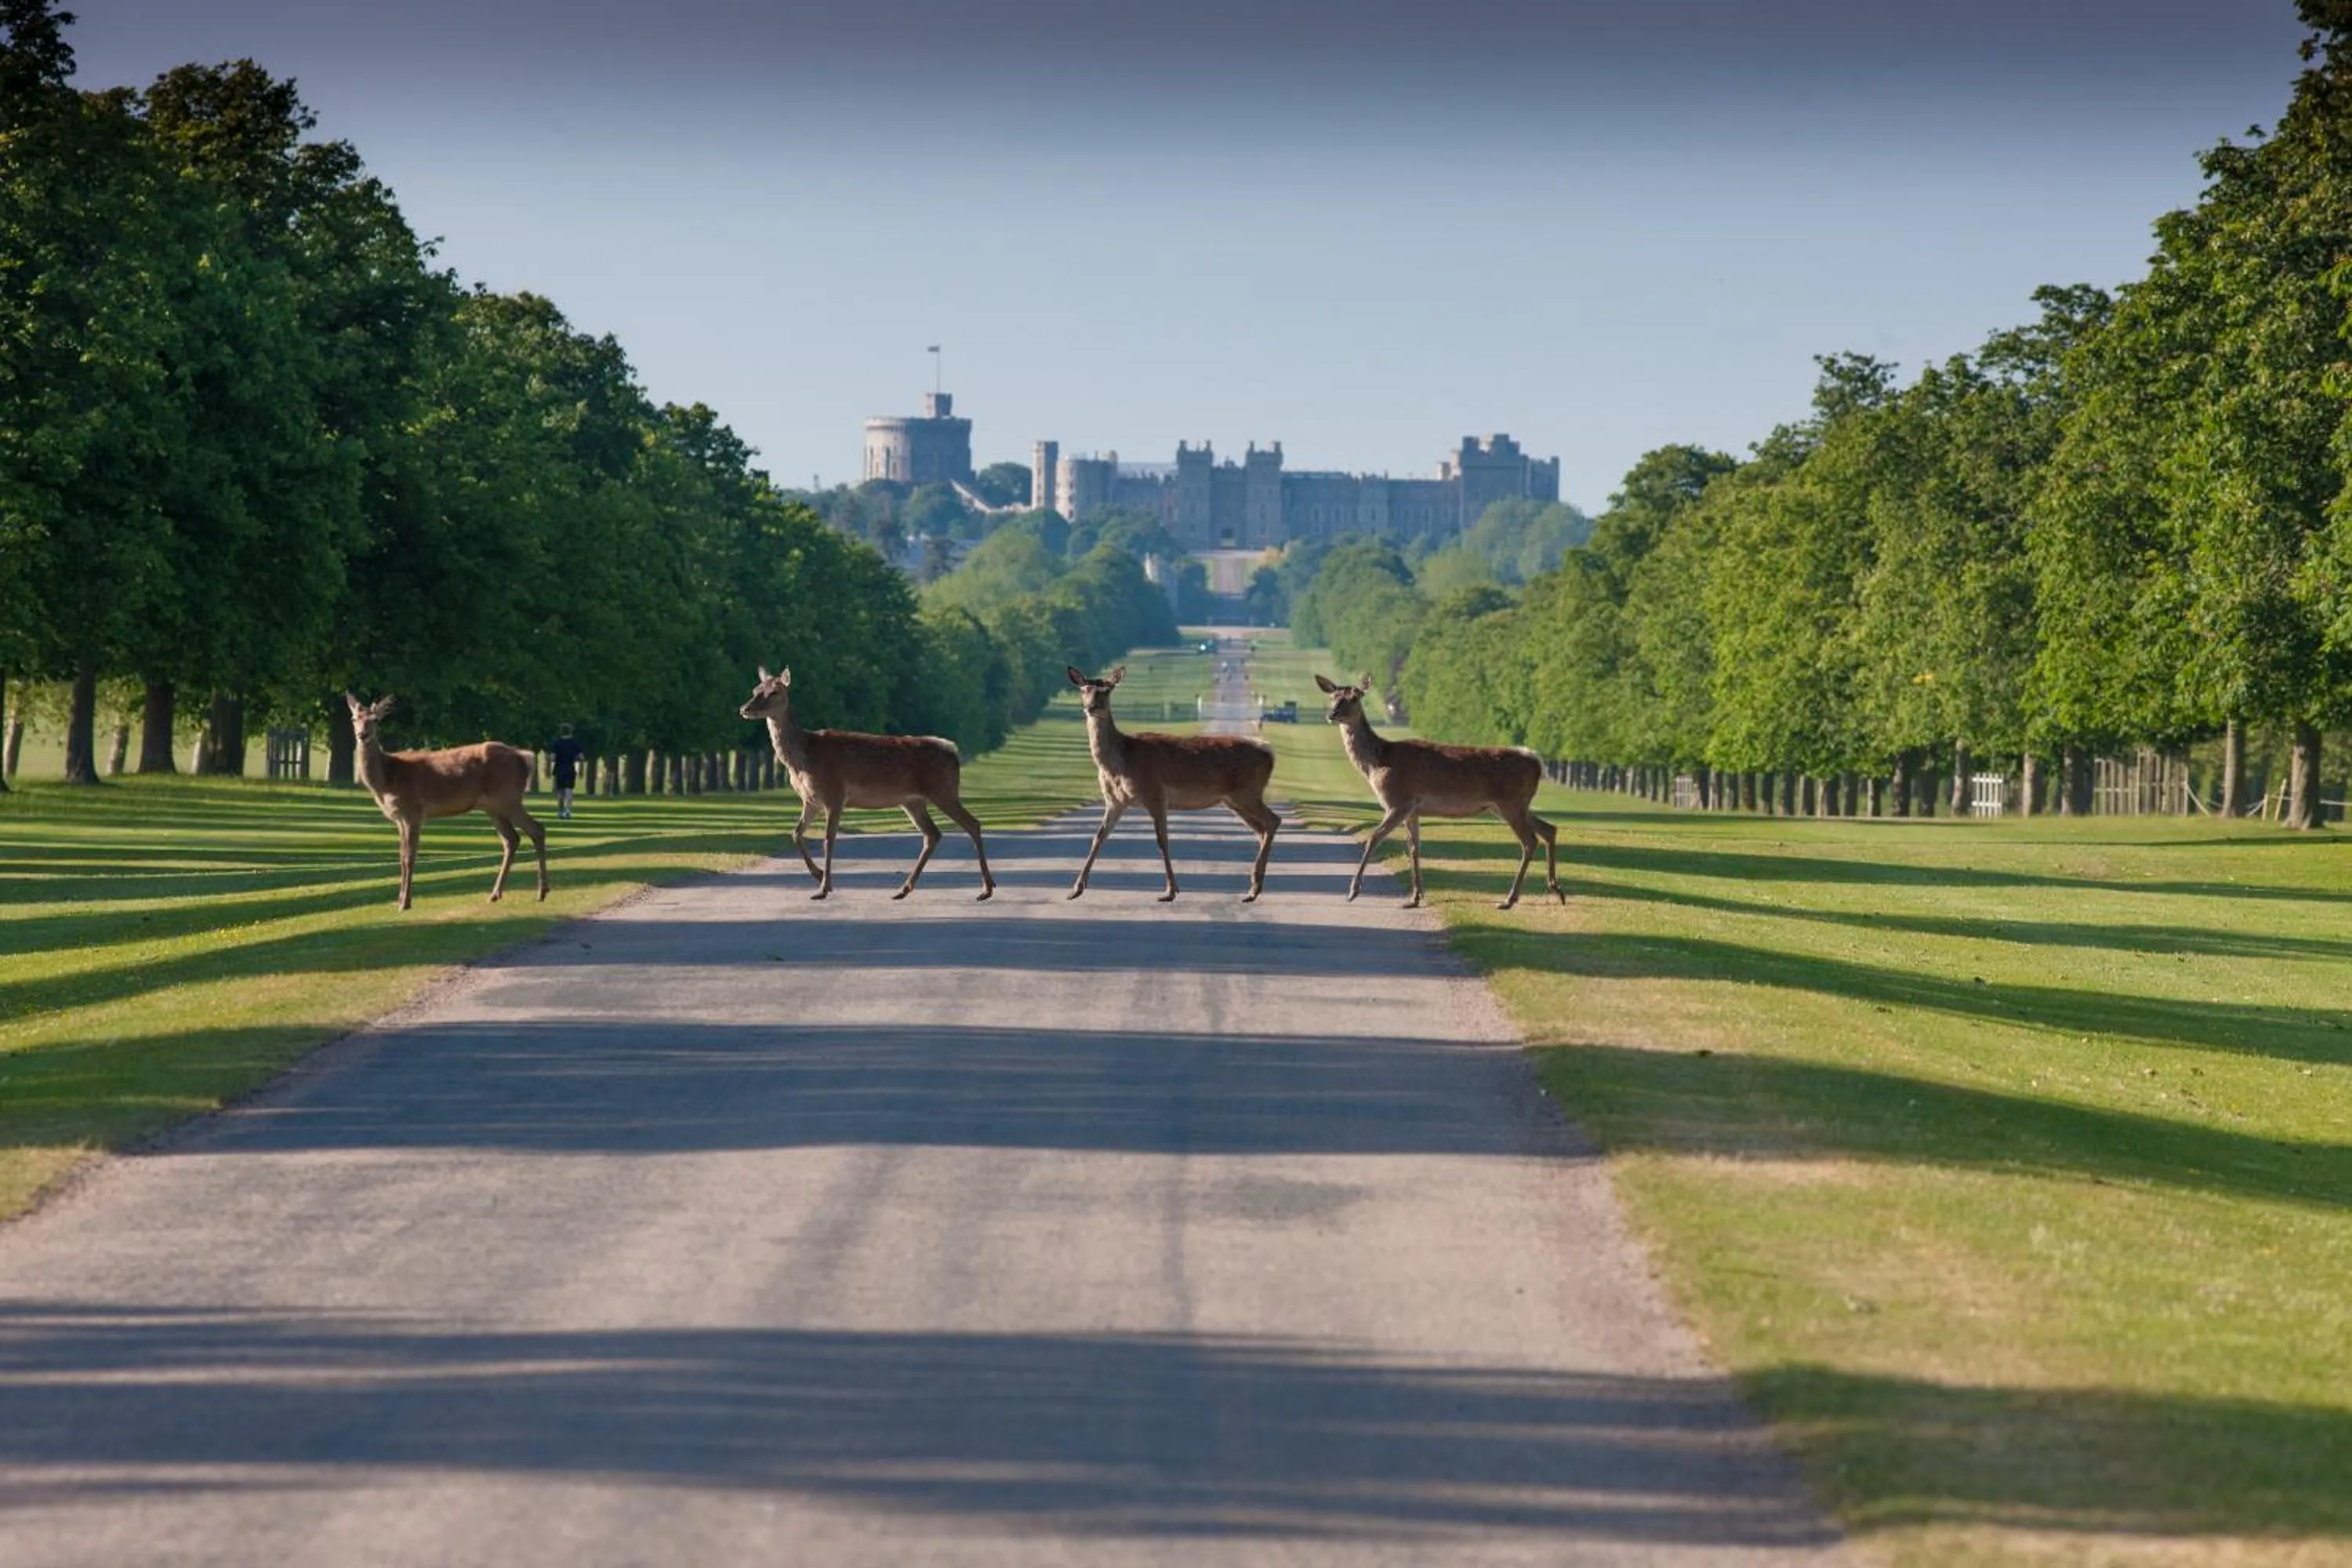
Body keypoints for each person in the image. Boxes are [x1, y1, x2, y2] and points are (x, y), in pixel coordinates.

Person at [550, 724, 586, 819]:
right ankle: (568, 811)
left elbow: (553, 758)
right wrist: (574, 758)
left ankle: (561, 811)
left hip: (559, 769)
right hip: (570, 768)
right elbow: (581, 757)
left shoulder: (556, 743)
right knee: (569, 790)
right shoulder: (575, 743)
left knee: (560, 791)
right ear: (571, 732)